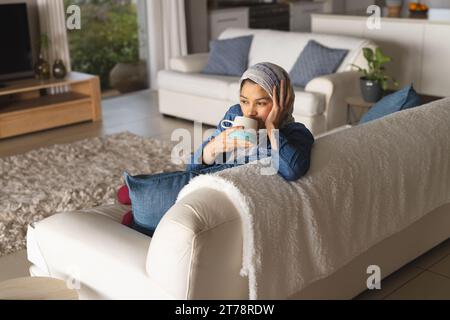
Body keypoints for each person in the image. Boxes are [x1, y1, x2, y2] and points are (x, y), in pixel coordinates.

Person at [117, 62, 315, 235]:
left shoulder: (296, 133)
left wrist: (273, 127)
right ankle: (140, 197)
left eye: (261, 103)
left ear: (284, 102)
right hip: (211, 177)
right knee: (186, 182)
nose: (250, 111)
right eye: (245, 101)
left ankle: (139, 210)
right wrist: (216, 145)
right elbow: (193, 168)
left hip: (232, 190)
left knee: (170, 197)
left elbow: (293, 170)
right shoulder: (236, 115)